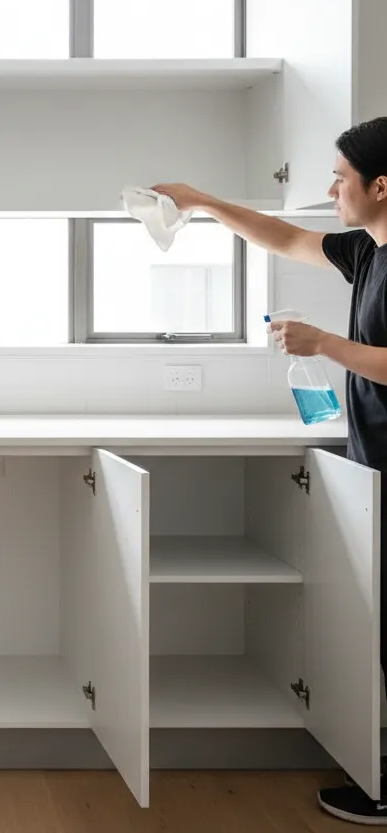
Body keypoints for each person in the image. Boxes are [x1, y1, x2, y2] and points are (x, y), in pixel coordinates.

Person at [155, 115, 387, 826]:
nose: (331, 190)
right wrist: (202, 202)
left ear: (381, 185)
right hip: (374, 461)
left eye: (341, 178)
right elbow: (285, 238)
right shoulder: (368, 251)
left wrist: (324, 343)